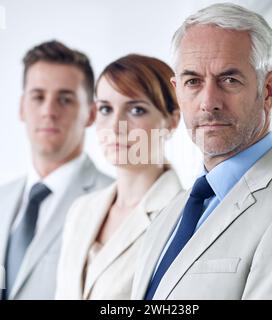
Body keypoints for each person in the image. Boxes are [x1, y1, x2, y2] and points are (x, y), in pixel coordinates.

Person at [131, 3, 272, 300]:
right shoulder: (170, 213)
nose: (208, 102)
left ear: (269, 90)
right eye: (193, 81)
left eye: (229, 80)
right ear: (177, 91)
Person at [55, 54, 183, 300]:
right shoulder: (80, 211)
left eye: (136, 109)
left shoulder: (184, 218)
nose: (115, 126)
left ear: (172, 121)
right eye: (106, 109)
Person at [0, 41, 113, 300]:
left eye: (65, 99)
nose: (49, 111)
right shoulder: (2, 198)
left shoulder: (114, 200)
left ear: (91, 113)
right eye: (38, 97)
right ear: (21, 107)